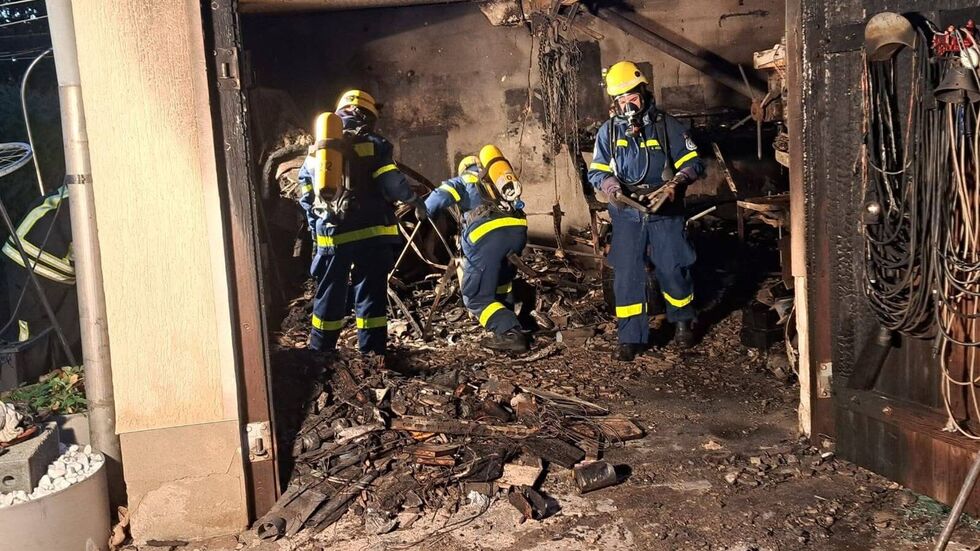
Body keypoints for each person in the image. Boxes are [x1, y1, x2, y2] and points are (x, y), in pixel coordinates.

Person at [587, 61, 705, 361]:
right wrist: (611, 187)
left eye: (632, 97)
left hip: (665, 207)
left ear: (644, 92)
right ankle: (630, 337)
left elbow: (693, 161)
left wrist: (677, 182)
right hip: (627, 211)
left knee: (672, 266)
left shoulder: (667, 126)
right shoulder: (608, 132)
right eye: (621, 100)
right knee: (627, 273)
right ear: (614, 102)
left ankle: (682, 322)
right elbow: (597, 170)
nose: (628, 105)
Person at [298, 89, 426, 356]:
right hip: (372, 234)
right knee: (370, 293)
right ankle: (372, 353)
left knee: (329, 293)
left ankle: (319, 352)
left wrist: (316, 228)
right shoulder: (375, 144)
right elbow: (393, 184)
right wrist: (415, 201)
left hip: (332, 234)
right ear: (368, 116)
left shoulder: (319, 149)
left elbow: (306, 195)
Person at [425, 153, 530, 352]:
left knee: (475, 296)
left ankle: (509, 332)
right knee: (501, 282)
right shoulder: (494, 181)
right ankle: (509, 317)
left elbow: (440, 196)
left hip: (487, 237)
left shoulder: (464, 180)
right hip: (517, 232)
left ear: (463, 169)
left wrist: (423, 210)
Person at [1, 185, 81, 379]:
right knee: (31, 339)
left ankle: (64, 379)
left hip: (55, 258)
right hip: (31, 256)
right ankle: (24, 386)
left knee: (71, 329)